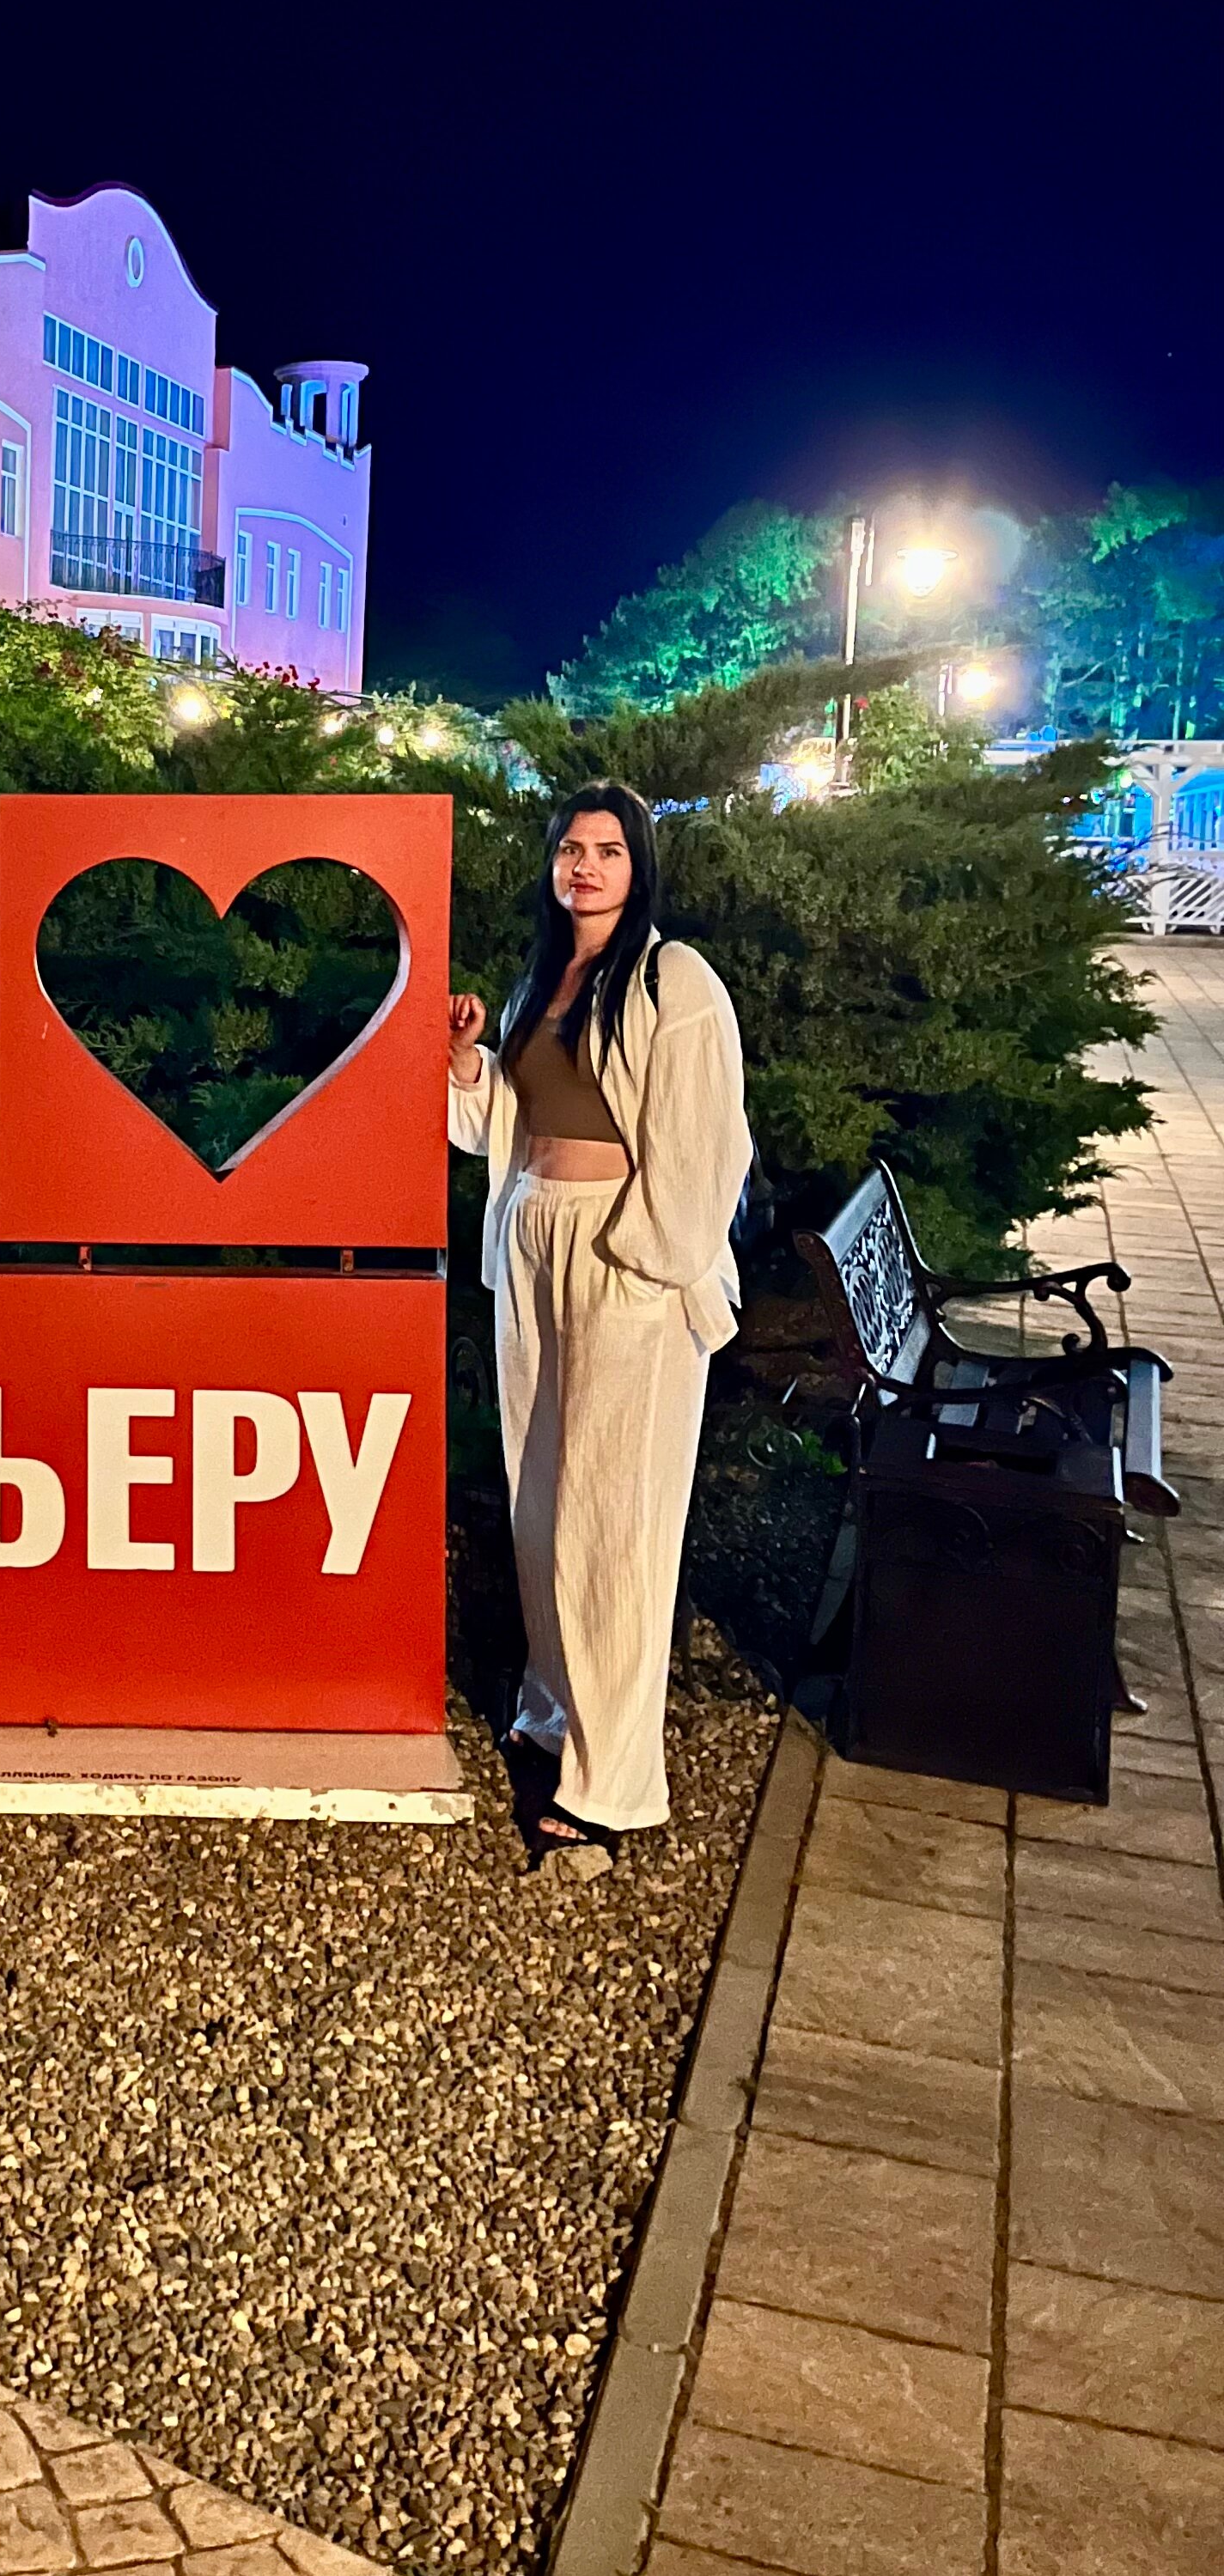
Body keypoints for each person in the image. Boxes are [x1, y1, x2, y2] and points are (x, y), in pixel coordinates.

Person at [446, 783, 752, 1865]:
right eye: (571, 848)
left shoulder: (676, 980)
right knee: (541, 1496)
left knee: (614, 1515)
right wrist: (469, 1060)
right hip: (536, 1242)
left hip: (625, 1257)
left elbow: (708, 1142)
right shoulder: (543, 975)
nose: (584, 866)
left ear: (639, 866)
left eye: (608, 850)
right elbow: (509, 1119)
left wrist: (648, 1260)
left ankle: (611, 1780)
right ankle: (554, 1709)